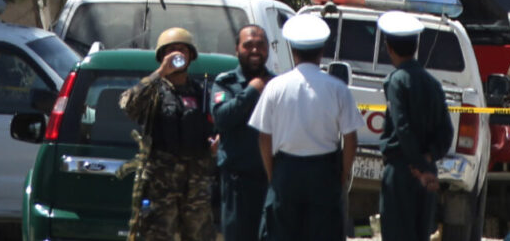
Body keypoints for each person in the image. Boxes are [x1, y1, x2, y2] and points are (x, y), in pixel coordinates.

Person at [251, 14, 361, 241]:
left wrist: (274, 174)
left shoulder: (275, 87)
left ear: (292, 50)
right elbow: (351, 139)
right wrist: (341, 175)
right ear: (321, 52)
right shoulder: (337, 88)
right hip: (324, 173)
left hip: (286, 171)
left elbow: (264, 136)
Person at [122, 27, 216, 241]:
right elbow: (129, 105)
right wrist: (160, 73)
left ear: (191, 55)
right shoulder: (153, 91)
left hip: (196, 186)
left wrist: (215, 141)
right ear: (161, 56)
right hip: (161, 187)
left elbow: (215, 127)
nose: (176, 56)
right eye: (170, 51)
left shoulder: (201, 92)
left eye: (181, 50)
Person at [377, 11, 451, 241]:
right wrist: (428, 159)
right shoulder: (433, 83)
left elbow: (402, 126)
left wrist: (416, 164)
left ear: (389, 47)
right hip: (427, 171)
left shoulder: (396, 81)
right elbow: (446, 132)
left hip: (402, 170)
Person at [211, 25, 274, 241]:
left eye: (260, 45)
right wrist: (252, 91)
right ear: (237, 49)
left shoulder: (278, 84)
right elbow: (222, 118)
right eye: (248, 45)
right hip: (237, 184)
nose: (255, 50)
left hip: (271, 183)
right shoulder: (225, 83)